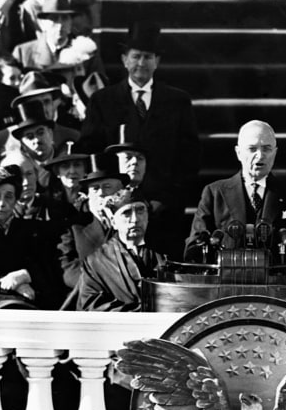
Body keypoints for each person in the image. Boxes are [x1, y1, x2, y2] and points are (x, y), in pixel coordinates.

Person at [79, 22, 200, 257]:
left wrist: (165, 199)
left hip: (163, 209)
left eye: (147, 57)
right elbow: (91, 150)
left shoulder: (177, 101)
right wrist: (109, 196)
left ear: (157, 62)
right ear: (125, 59)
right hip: (117, 207)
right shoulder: (103, 101)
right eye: (135, 57)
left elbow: (190, 157)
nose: (141, 64)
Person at [185, 120, 286, 262]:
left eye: (266, 148)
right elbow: (194, 249)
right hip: (227, 278)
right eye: (252, 149)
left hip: (276, 280)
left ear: (275, 152)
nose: (260, 155)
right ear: (238, 153)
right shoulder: (215, 193)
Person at [0, 164, 64, 309]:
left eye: (8, 197)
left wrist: (26, 275)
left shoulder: (35, 230)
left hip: (31, 302)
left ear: (16, 200)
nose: (1, 203)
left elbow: (49, 265)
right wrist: (14, 287)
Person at [72, 187, 165, 312]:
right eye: (126, 213)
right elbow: (91, 305)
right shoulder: (96, 263)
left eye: (140, 210)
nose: (135, 219)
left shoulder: (166, 253)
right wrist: (139, 312)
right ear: (113, 222)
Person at [57, 152, 131, 289]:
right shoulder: (75, 225)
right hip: (89, 296)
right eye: (95, 188)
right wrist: (97, 282)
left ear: (120, 191)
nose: (101, 193)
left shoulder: (134, 220)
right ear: (88, 194)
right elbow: (67, 267)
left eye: (107, 187)